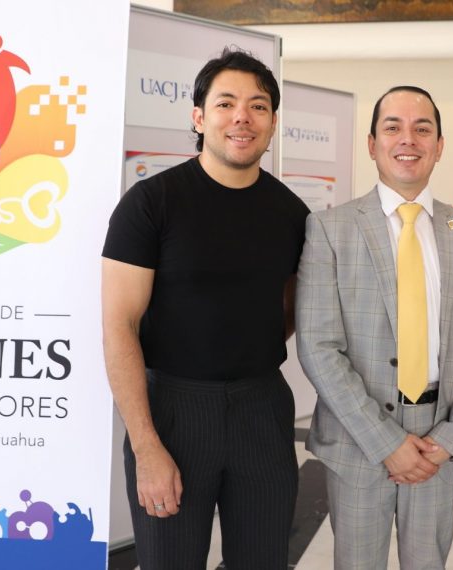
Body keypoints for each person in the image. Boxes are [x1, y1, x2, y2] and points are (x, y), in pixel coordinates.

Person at [101, 48, 308, 569]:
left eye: (258, 106)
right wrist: (146, 446)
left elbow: (291, 309)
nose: (243, 117)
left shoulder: (291, 213)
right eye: (226, 103)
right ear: (199, 117)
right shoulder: (151, 203)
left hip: (261, 410)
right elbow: (119, 325)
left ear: (273, 123)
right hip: (172, 411)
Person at [295, 86, 453, 569]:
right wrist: (386, 443)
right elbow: (318, 347)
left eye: (422, 128)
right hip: (358, 441)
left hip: (438, 441)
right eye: (393, 127)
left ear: (439, 146)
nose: (408, 139)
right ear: (372, 144)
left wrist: (451, 440)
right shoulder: (330, 229)